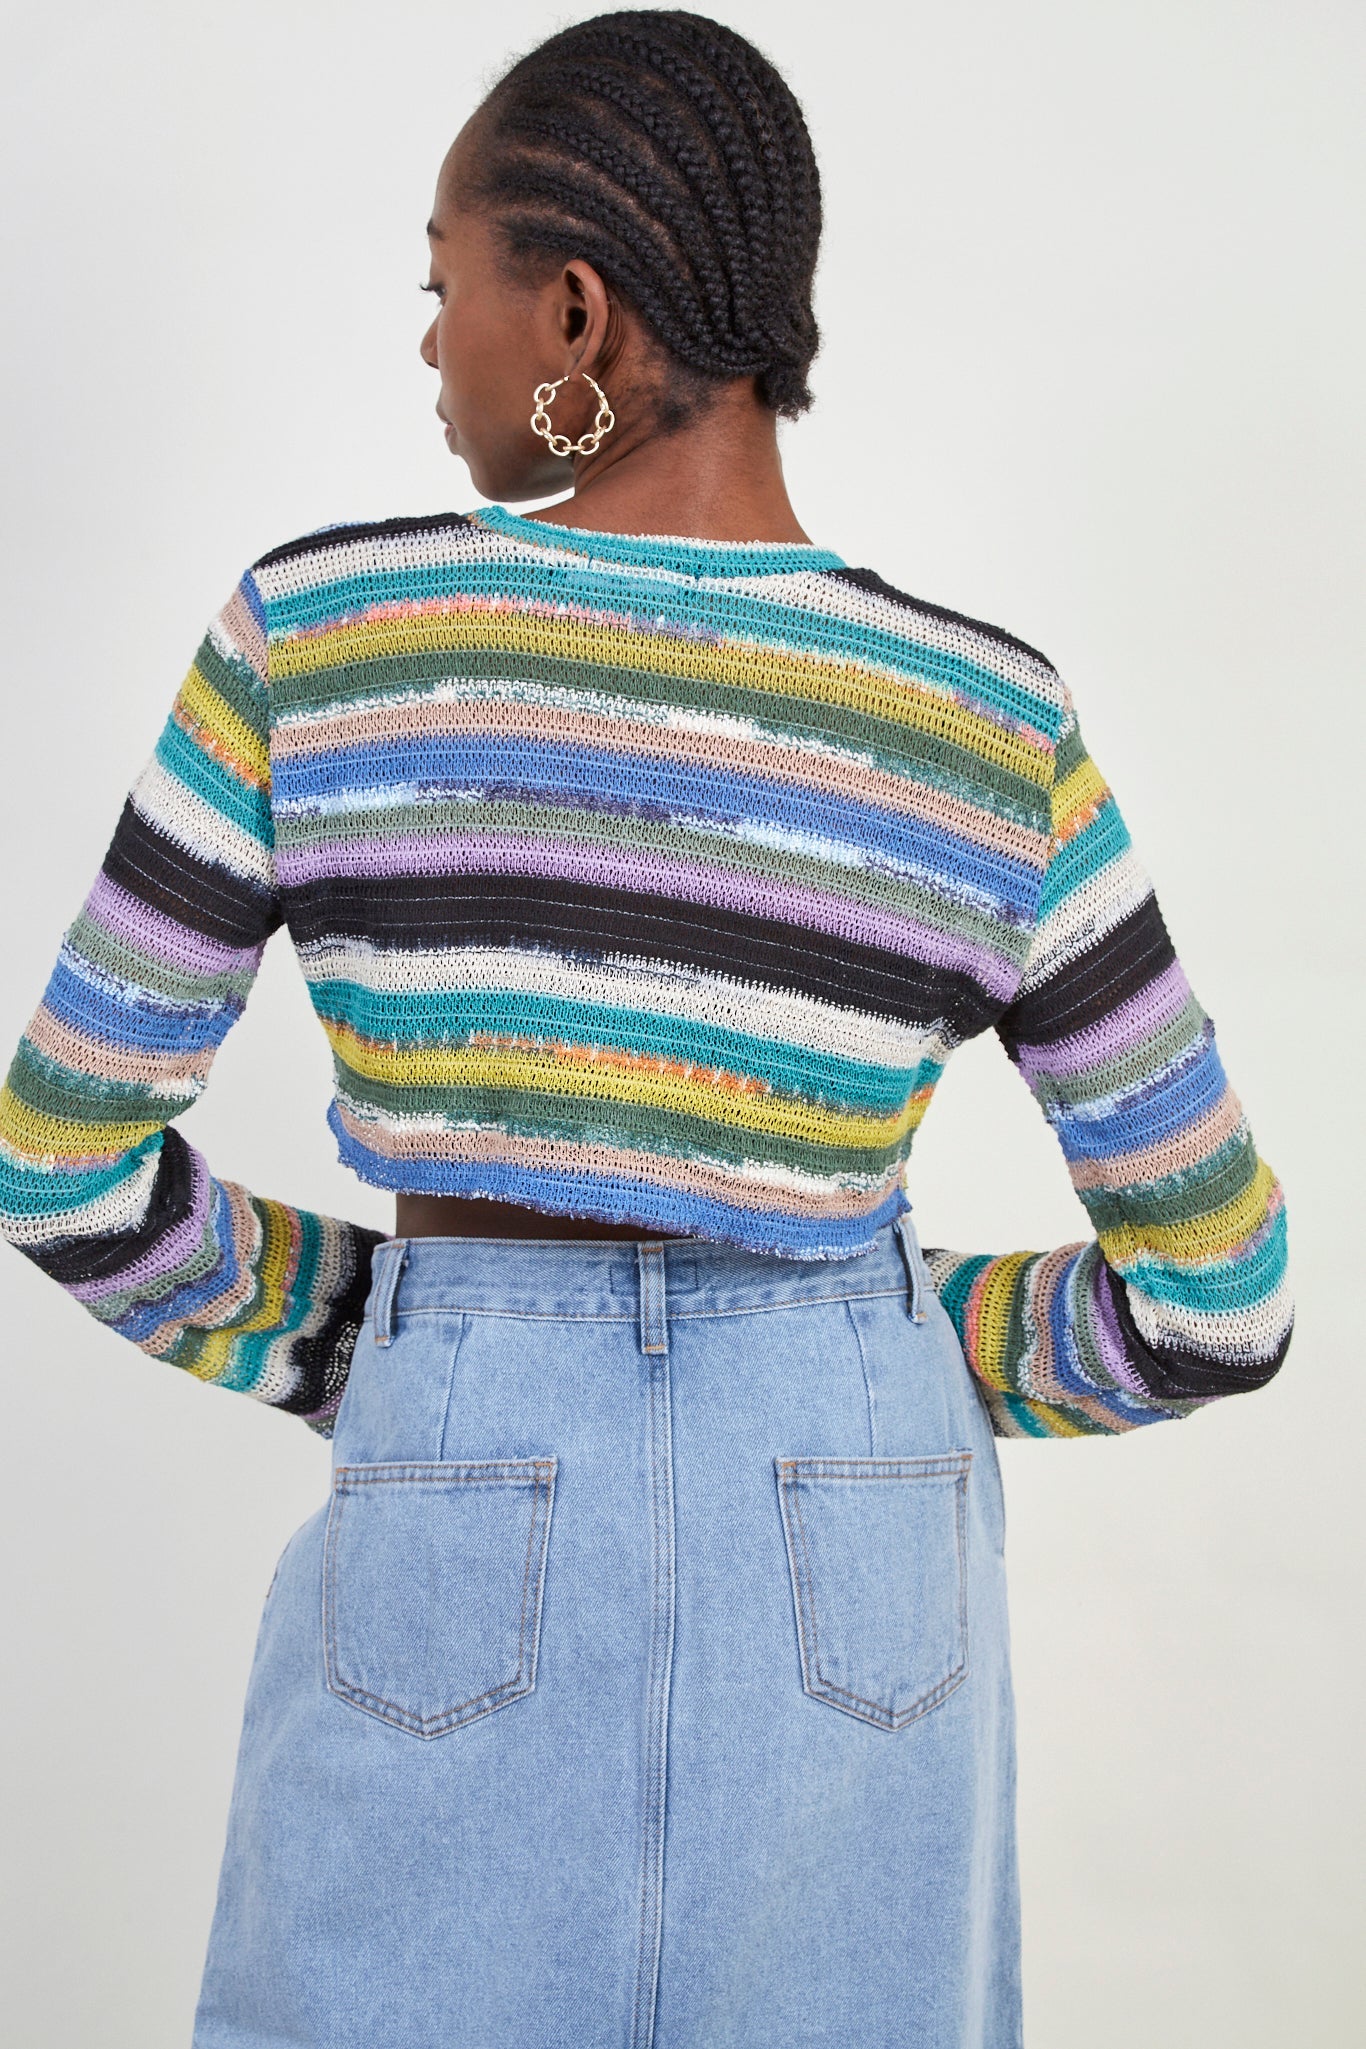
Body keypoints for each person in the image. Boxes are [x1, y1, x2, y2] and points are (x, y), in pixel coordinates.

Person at [0, 12, 1292, 2046]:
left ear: (576, 314)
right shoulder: (987, 723)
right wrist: (897, 1341)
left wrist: (369, 1335)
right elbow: (1221, 1295)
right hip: (858, 1508)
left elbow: (59, 1155)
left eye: (445, 285)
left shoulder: (318, 641)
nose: (431, 345)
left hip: (458, 1472)